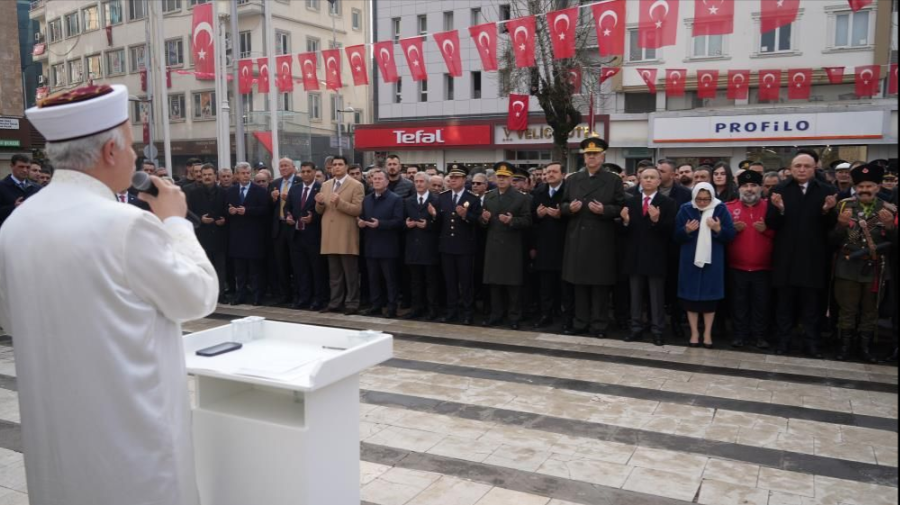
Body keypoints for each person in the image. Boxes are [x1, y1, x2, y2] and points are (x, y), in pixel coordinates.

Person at [1, 83, 217, 505]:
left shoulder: (14, 227)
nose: (136, 157)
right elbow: (198, 297)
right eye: (132, 146)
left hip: (57, 437)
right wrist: (175, 221)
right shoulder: (126, 225)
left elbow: (12, 319)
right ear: (110, 152)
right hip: (132, 436)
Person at [766, 151, 839, 358]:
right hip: (786, 258)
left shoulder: (826, 190)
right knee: (784, 305)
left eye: (806, 166)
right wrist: (779, 209)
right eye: (798, 166)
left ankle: (812, 342)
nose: (801, 170)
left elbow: (833, 227)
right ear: (791, 168)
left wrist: (827, 210)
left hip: (813, 258)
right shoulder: (780, 190)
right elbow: (771, 223)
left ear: (814, 168)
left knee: (812, 305)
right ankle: (784, 341)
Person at [561, 136, 626, 338]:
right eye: (588, 155)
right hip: (577, 238)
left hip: (601, 239)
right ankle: (580, 322)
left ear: (602, 156)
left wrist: (604, 210)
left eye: (595, 154)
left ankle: (599, 325)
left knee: (599, 286)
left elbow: (621, 207)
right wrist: (569, 208)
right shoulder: (572, 180)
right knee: (579, 284)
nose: (591, 158)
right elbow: (562, 205)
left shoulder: (613, 180)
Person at [830, 163, 896, 362]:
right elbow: (831, 240)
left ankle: (865, 348)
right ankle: (845, 347)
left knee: (870, 311)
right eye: (861, 186)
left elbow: (894, 244)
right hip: (848, 267)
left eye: (869, 186)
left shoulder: (889, 209)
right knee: (847, 310)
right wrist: (841, 226)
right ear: (855, 187)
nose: (865, 190)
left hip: (875, 268)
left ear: (877, 187)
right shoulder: (844, 206)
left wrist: (890, 227)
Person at [619, 167, 677, 346]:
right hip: (635, 256)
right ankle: (636, 327)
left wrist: (656, 221)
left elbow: (670, 231)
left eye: (653, 177)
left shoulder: (668, 203)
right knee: (635, 295)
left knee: (656, 296)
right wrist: (626, 222)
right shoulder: (632, 201)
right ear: (640, 181)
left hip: (656, 256)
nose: (649, 180)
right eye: (645, 177)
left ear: (659, 181)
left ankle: (657, 330)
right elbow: (624, 233)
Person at [674, 182, 736, 348]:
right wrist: (686, 231)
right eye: (699, 199)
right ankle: (694, 333)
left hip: (712, 260)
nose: (702, 202)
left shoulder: (720, 208)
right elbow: (676, 236)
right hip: (690, 260)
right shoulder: (685, 208)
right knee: (690, 299)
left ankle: (707, 334)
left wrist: (717, 229)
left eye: (706, 199)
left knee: (710, 299)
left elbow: (730, 235)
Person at [480, 163, 533, 330]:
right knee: (494, 283)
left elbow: (528, 221)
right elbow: (482, 223)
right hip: (494, 245)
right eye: (499, 177)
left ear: (511, 179)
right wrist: (484, 219)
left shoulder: (521, 197)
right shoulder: (489, 197)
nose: (501, 180)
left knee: (513, 284)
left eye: (505, 177)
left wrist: (512, 221)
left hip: (512, 246)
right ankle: (496, 315)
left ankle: (514, 316)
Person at [726, 170, 776, 349]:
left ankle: (760, 336)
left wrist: (767, 231)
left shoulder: (770, 207)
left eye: (753, 185)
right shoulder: (729, 207)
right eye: (745, 186)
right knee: (738, 304)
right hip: (736, 267)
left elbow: (782, 235)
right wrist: (732, 230)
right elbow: (721, 235)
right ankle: (739, 335)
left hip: (764, 268)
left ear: (760, 187)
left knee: (761, 304)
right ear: (739, 188)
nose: (749, 189)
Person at [431, 164, 481, 325]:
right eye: (451, 177)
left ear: (464, 180)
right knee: (450, 281)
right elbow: (439, 223)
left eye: (456, 177)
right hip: (447, 246)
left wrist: (467, 215)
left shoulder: (472, 198)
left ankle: (468, 312)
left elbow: (478, 221)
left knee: (465, 282)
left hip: (465, 247)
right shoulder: (443, 197)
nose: (452, 180)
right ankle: (451, 311)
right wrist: (434, 215)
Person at [316, 155, 365, 315]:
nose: (336, 167)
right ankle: (335, 302)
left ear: (346, 167)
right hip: (329, 235)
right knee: (334, 274)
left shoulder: (356, 185)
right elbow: (320, 211)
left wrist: (339, 202)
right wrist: (319, 203)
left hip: (346, 234)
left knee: (350, 273)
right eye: (334, 165)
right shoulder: (325, 185)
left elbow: (357, 210)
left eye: (340, 164)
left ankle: (352, 303)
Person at [357, 169, 404, 318]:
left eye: (379, 179)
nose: (376, 181)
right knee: (373, 278)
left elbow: (399, 221)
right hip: (371, 245)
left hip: (388, 246)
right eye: (374, 179)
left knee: (390, 280)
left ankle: (392, 307)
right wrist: (361, 222)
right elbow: (363, 217)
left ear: (386, 182)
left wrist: (380, 224)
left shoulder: (395, 199)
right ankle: (376, 305)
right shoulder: (367, 199)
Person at [531, 162, 569, 329]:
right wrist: (537, 215)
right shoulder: (539, 192)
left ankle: (564, 316)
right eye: (548, 172)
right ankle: (545, 315)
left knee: (564, 286)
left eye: (554, 171)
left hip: (564, 245)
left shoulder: (568, 191)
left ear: (562, 174)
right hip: (544, 245)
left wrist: (561, 215)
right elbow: (530, 219)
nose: (550, 175)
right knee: (545, 285)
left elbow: (575, 217)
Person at [226, 162, 270, 305]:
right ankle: (240, 295)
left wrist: (248, 211)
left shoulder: (260, 191)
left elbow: (265, 210)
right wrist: (230, 211)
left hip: (254, 236)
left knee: (255, 270)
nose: (246, 176)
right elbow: (226, 209)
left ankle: (257, 296)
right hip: (237, 236)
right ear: (237, 175)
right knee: (240, 270)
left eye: (247, 173)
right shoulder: (231, 191)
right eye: (242, 173)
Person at [284, 162, 326, 311]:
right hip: (296, 235)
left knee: (316, 270)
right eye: (303, 172)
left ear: (314, 172)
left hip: (313, 236)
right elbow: (287, 207)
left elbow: (325, 210)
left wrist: (313, 218)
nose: (306, 174)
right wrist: (288, 215)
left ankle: (318, 299)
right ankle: (303, 298)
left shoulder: (320, 188)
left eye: (309, 171)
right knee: (300, 271)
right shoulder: (295, 189)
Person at [187, 163, 229, 303]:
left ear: (215, 176)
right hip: (202, 236)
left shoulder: (223, 192)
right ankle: (206, 294)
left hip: (219, 235)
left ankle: (220, 293)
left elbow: (227, 211)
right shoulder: (193, 193)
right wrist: (200, 219)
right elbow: (188, 212)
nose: (206, 177)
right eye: (204, 175)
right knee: (204, 267)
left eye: (209, 174)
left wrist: (224, 220)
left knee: (220, 267)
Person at [403, 172, 441, 320]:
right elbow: (401, 221)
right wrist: (406, 225)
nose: (418, 184)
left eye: (421, 181)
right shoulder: (408, 201)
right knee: (415, 281)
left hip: (429, 247)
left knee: (431, 281)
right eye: (416, 181)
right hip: (413, 247)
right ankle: (416, 308)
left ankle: (432, 310)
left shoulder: (436, 200)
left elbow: (440, 223)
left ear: (427, 184)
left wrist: (430, 222)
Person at [269, 157, 298, 305]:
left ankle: (298, 295)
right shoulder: (274, 184)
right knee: (281, 264)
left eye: (286, 165)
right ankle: (284, 295)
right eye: (281, 166)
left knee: (296, 263)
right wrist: (273, 199)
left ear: (293, 167)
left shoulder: (299, 182)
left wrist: (291, 198)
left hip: (294, 227)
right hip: (279, 227)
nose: (284, 168)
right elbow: (268, 208)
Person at [0, 154, 41, 229]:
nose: (25, 170)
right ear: (12, 166)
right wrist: (13, 207)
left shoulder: (37, 188)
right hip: (8, 233)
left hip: (32, 232)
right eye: (21, 167)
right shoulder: (2, 186)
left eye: (28, 167)